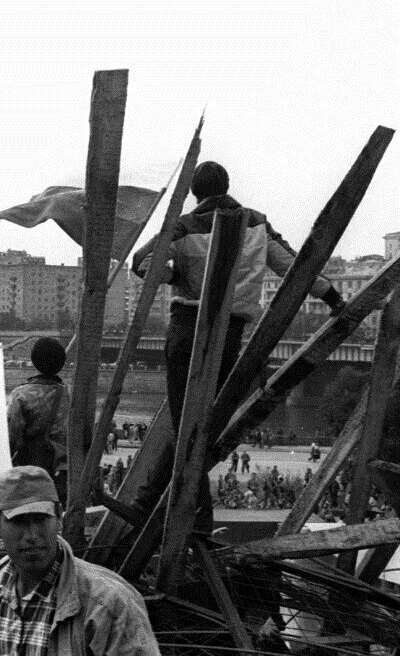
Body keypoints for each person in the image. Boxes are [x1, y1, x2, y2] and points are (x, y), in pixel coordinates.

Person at [130, 161, 343, 532]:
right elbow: (296, 267)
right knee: (198, 429)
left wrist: (175, 274)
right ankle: (172, 509)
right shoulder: (256, 224)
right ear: (228, 186)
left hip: (186, 331)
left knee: (187, 428)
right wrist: (333, 299)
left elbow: (142, 264)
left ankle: (165, 508)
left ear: (195, 193)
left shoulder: (184, 225)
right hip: (228, 335)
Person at [0, 466, 160, 655]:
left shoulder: (110, 605)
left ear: (58, 518)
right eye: (19, 521)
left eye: (41, 519)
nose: (32, 535)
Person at [6, 337, 70, 504]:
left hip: (31, 475)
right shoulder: (70, 395)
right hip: (64, 476)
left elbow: (12, 440)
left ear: (34, 361)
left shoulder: (21, 395)